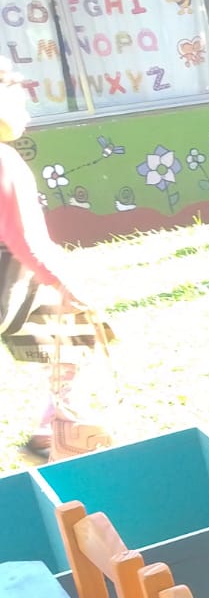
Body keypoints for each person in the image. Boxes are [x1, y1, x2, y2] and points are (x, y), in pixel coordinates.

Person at [1, 59, 114, 460]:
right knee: (78, 332)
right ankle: (55, 429)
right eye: (19, 100)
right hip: (8, 278)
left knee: (66, 341)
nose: (27, 114)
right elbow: (25, 240)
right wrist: (67, 284)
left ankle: (51, 427)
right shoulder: (5, 162)